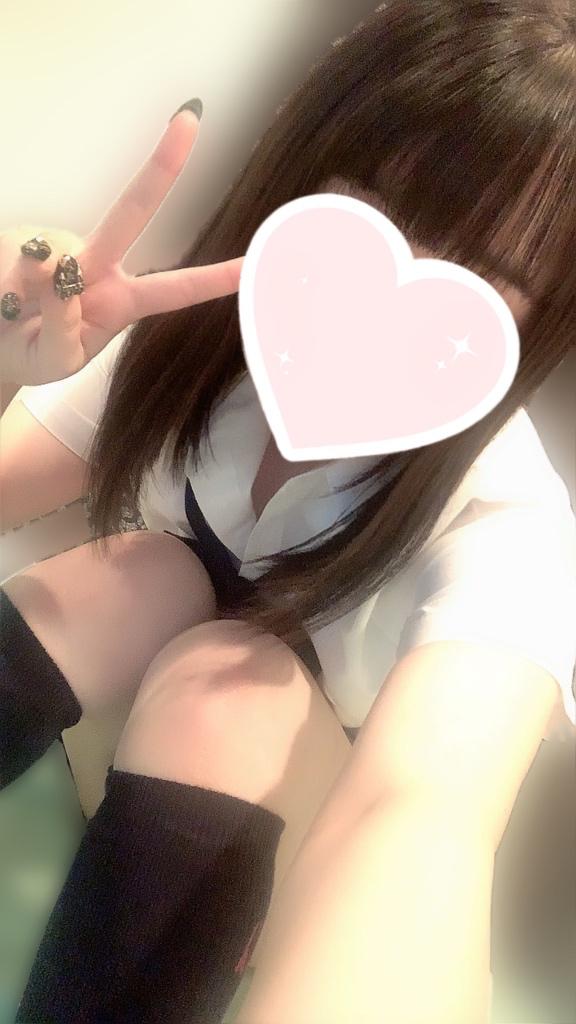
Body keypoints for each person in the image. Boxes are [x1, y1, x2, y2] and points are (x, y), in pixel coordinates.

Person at [1, 2, 575, 1021]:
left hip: (274, 879)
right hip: (114, 770)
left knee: (229, 679)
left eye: (483, 276)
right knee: (143, 575)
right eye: (370, 212)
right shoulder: (199, 348)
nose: (393, 293)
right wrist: (6, 360)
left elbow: (424, 817)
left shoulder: (510, 526)